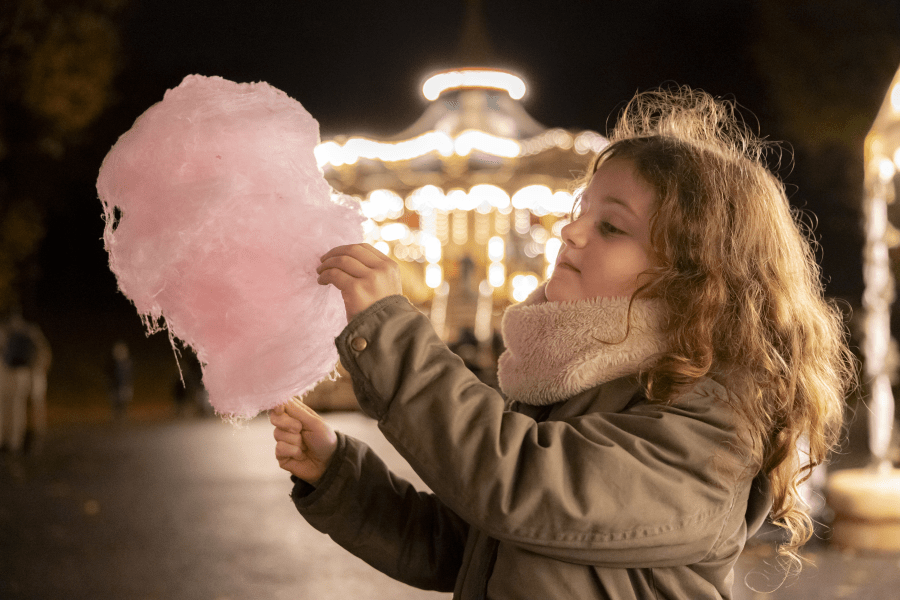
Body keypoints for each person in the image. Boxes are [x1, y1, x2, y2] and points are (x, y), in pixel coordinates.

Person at [270, 87, 855, 599]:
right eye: (581, 211)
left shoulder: (711, 422)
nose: (571, 231)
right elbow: (470, 545)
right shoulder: (569, 383)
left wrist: (390, 332)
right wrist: (341, 475)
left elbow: (520, 485)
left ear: (692, 277)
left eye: (611, 226)